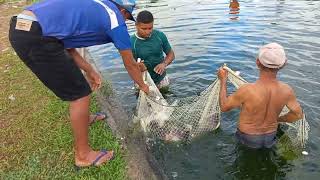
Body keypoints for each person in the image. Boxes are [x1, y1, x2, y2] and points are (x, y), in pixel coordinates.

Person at [9, 0, 149, 168]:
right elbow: (130, 63)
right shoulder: (115, 19)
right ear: (123, 11)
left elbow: (66, 46)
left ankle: (85, 119)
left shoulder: (94, 6)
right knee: (80, 94)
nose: (125, 21)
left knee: (78, 84)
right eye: (127, 17)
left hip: (23, 26)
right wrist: (143, 86)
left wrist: (90, 70)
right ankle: (83, 156)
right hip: (35, 35)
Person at [217, 43, 303, 149]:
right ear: (284, 64)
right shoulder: (287, 91)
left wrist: (223, 80)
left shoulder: (247, 89)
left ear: (257, 62)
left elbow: (224, 107)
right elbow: (298, 115)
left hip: (246, 138)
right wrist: (277, 120)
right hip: (270, 137)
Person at [130, 10, 175, 90]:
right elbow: (130, 65)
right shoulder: (131, 42)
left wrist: (164, 64)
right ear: (136, 25)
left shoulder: (160, 36)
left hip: (161, 79)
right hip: (142, 81)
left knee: (166, 98)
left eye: (150, 28)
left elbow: (171, 54)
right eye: (144, 29)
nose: (147, 32)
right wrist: (139, 67)